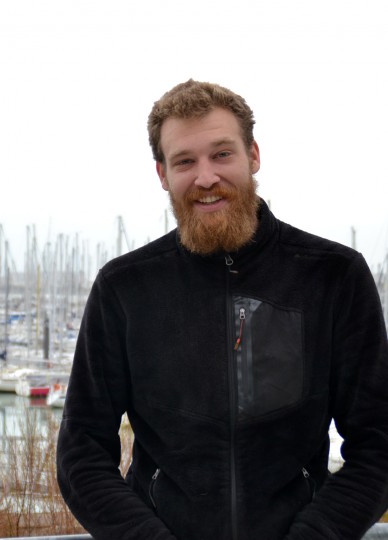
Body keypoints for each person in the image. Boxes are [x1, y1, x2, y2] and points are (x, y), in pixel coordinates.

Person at [56, 79, 388, 539]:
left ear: (253, 155)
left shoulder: (334, 276)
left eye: (222, 154)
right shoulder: (124, 287)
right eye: (185, 161)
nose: (206, 177)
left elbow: (378, 444)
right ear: (162, 174)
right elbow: (82, 454)